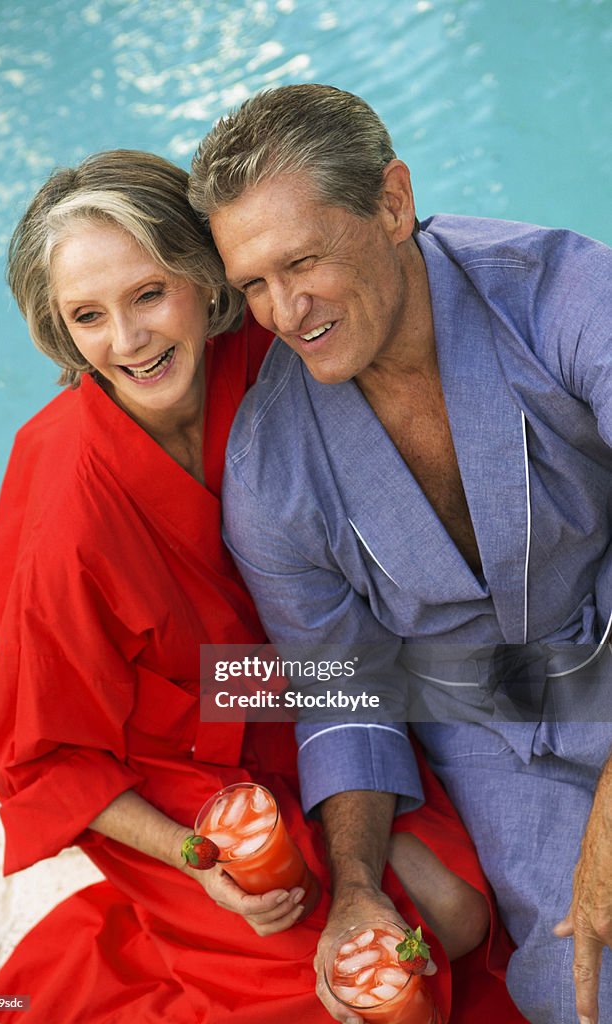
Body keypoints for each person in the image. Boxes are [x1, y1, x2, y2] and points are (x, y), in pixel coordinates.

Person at [0, 149, 520, 1024]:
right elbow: (44, 759)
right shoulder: (64, 516)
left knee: (458, 912)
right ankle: (127, 949)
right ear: (60, 329)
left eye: (149, 294)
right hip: (178, 776)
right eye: (87, 316)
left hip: (315, 684)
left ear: (203, 276)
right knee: (373, 982)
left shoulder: (270, 355)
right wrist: (198, 857)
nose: (129, 341)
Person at [188, 84, 612, 1024]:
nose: (286, 312)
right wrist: (355, 886)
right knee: (582, 983)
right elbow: (344, 689)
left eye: (302, 260)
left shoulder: (569, 294)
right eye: (254, 283)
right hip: (489, 737)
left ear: (390, 203)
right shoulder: (270, 469)